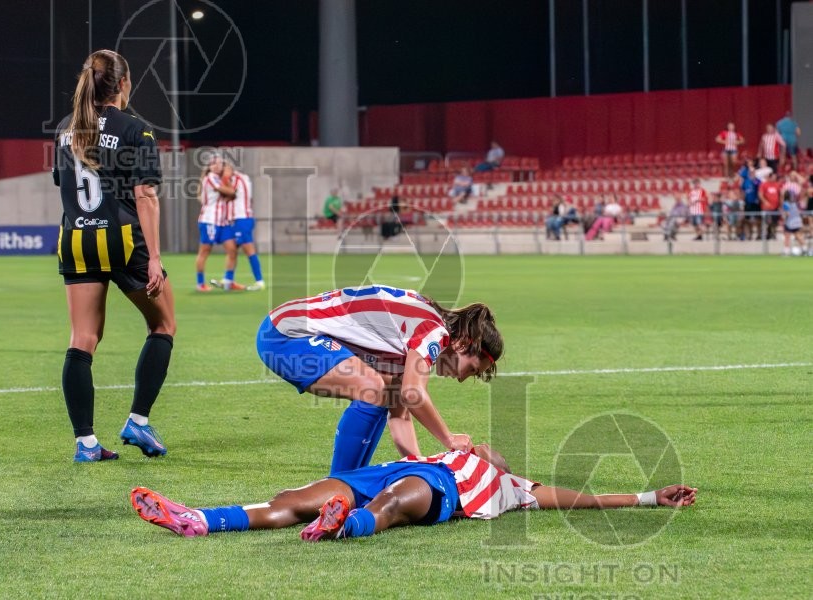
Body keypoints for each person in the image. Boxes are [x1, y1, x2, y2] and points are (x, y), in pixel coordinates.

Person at [130, 443, 697, 541]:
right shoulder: (443, 450)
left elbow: (582, 500)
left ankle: (343, 525)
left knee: (396, 503)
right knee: (291, 497)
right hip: (389, 468)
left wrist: (648, 498)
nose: (489, 448)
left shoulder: (515, 487)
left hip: (437, 492)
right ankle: (199, 519)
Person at [52, 49, 173, 462]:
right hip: (122, 239)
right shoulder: (134, 129)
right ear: (123, 84)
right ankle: (138, 421)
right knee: (163, 325)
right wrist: (154, 256)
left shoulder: (66, 129)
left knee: (82, 339)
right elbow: (145, 194)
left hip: (74, 238)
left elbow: (64, 187)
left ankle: (85, 443)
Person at [256, 285, 502, 475]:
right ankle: (337, 486)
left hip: (285, 329)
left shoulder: (414, 338)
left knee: (382, 393)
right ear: (462, 344)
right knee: (374, 390)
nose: (461, 379)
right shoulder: (434, 330)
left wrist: (419, 467)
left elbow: (400, 416)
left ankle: (344, 486)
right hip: (287, 333)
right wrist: (448, 438)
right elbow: (412, 393)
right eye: (471, 369)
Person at [210, 164, 265, 291]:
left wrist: (223, 181)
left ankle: (259, 281)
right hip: (234, 220)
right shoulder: (239, 178)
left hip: (242, 219)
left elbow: (230, 193)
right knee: (231, 250)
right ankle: (228, 281)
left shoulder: (238, 179)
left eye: (223, 171)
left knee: (248, 249)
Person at [194, 153, 234, 292]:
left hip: (221, 222)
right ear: (209, 167)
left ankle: (228, 281)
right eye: (213, 164)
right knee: (204, 251)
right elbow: (230, 191)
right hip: (210, 221)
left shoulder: (219, 178)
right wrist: (227, 179)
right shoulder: (210, 178)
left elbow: (231, 195)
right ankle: (200, 284)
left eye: (219, 164)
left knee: (232, 249)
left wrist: (227, 182)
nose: (216, 166)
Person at [781, 171, 806, 255]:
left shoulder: (786, 204)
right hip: (797, 221)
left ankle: (786, 251)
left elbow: (786, 214)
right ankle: (805, 249)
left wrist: (784, 218)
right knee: (798, 235)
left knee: (787, 236)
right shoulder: (795, 203)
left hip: (790, 222)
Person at [738, 158, 761, 240]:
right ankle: (749, 234)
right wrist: (742, 201)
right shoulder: (745, 181)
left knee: (758, 219)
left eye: (753, 172)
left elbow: (760, 190)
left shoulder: (757, 181)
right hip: (747, 202)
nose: (752, 173)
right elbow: (743, 191)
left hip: (755, 202)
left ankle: (759, 234)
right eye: (750, 172)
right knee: (747, 220)